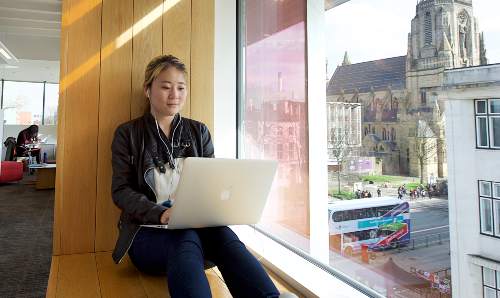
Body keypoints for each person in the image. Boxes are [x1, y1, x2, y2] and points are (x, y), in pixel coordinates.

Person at [110, 55, 284, 298]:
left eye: (181, 87)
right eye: (165, 86)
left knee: (226, 238)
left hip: (199, 234)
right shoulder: (128, 134)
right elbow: (120, 191)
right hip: (146, 235)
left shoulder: (198, 131)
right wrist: (161, 213)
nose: (175, 94)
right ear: (147, 90)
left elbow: (211, 184)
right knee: (184, 234)